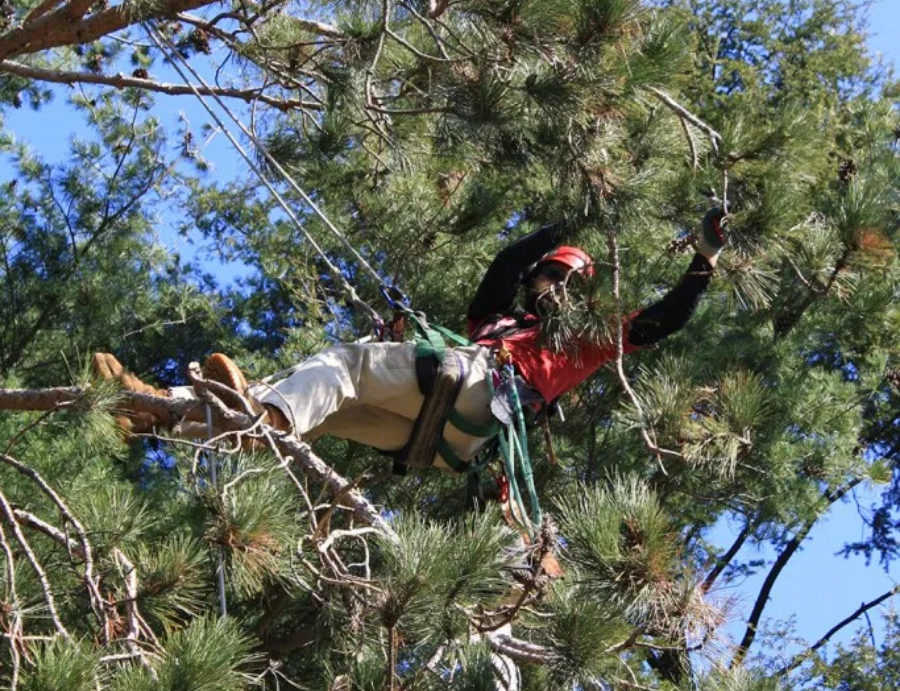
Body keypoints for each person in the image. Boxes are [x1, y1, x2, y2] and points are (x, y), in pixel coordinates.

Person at [93, 208, 726, 470]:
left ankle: (259, 416)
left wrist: (703, 261)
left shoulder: (582, 340)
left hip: (486, 396)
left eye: (570, 280)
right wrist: (571, 219)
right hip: (438, 433)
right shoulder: (493, 320)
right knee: (318, 406)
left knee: (341, 364)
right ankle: (161, 414)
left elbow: (661, 321)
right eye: (554, 273)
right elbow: (506, 263)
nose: (557, 286)